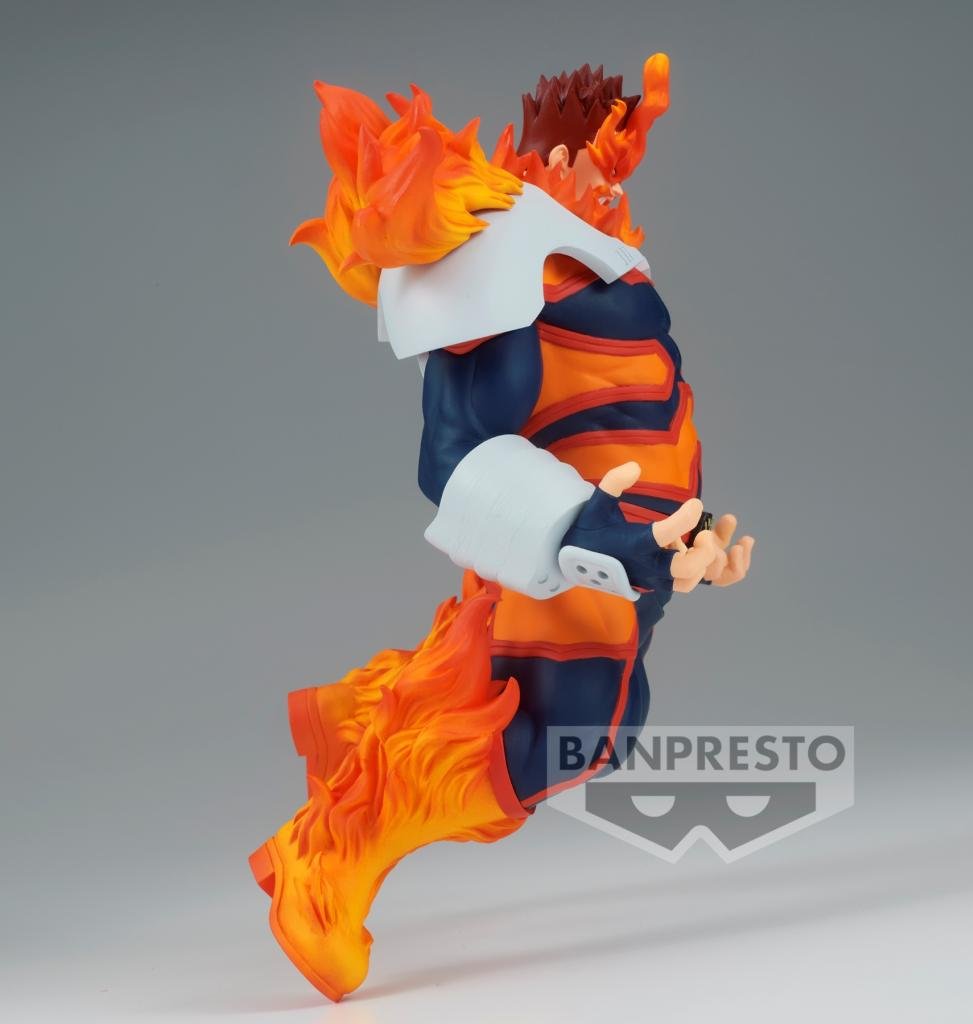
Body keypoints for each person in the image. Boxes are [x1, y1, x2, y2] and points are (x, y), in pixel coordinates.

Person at [249, 53, 755, 1001]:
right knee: (571, 730)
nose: (615, 172)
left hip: (620, 552)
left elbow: (629, 406)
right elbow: (456, 457)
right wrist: (606, 538)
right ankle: (331, 853)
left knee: (584, 725)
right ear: (553, 157)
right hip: (571, 546)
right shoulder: (501, 249)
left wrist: (682, 546)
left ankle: (368, 739)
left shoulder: (587, 251)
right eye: (604, 150)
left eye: (622, 152)